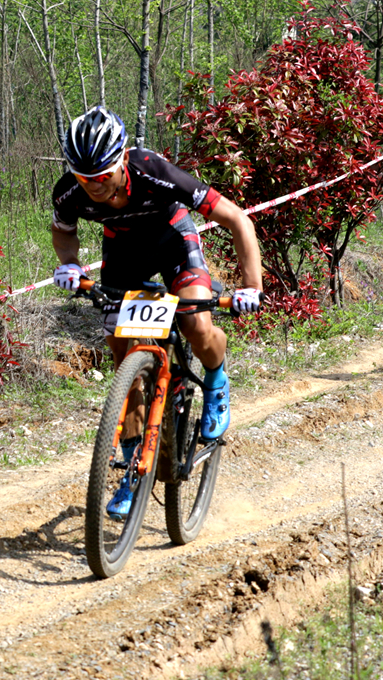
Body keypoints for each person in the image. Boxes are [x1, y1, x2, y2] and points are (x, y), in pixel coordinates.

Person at [51, 105, 263, 519]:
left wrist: (252, 287)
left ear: (121, 159)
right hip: (124, 250)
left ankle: (216, 380)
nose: (92, 186)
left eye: (101, 176)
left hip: (172, 239)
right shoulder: (68, 191)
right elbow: (63, 231)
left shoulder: (153, 170)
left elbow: (237, 219)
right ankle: (132, 466)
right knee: (123, 351)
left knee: (195, 321)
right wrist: (71, 264)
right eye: (83, 177)